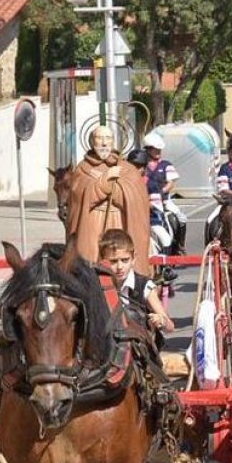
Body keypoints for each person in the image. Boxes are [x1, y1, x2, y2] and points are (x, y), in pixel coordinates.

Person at [68, 125, 153, 275]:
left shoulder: (127, 169)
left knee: (121, 256)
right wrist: (104, 182)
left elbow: (138, 200)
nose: (104, 143)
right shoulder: (82, 169)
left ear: (113, 141)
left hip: (121, 221)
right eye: (99, 138)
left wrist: (116, 189)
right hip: (93, 225)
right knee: (93, 262)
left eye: (108, 138)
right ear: (91, 142)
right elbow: (77, 200)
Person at [98, 228, 175, 337]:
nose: (120, 267)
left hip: (138, 347)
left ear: (133, 259)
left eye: (125, 260)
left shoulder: (144, 285)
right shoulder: (96, 285)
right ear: (101, 260)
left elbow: (170, 327)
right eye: (113, 261)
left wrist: (161, 321)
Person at [144, 132, 188, 255]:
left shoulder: (166, 165)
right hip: (145, 201)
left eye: (159, 149)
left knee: (181, 218)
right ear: (148, 150)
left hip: (164, 200)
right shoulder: (142, 166)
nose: (158, 152)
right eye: (155, 149)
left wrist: (160, 192)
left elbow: (171, 183)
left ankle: (180, 246)